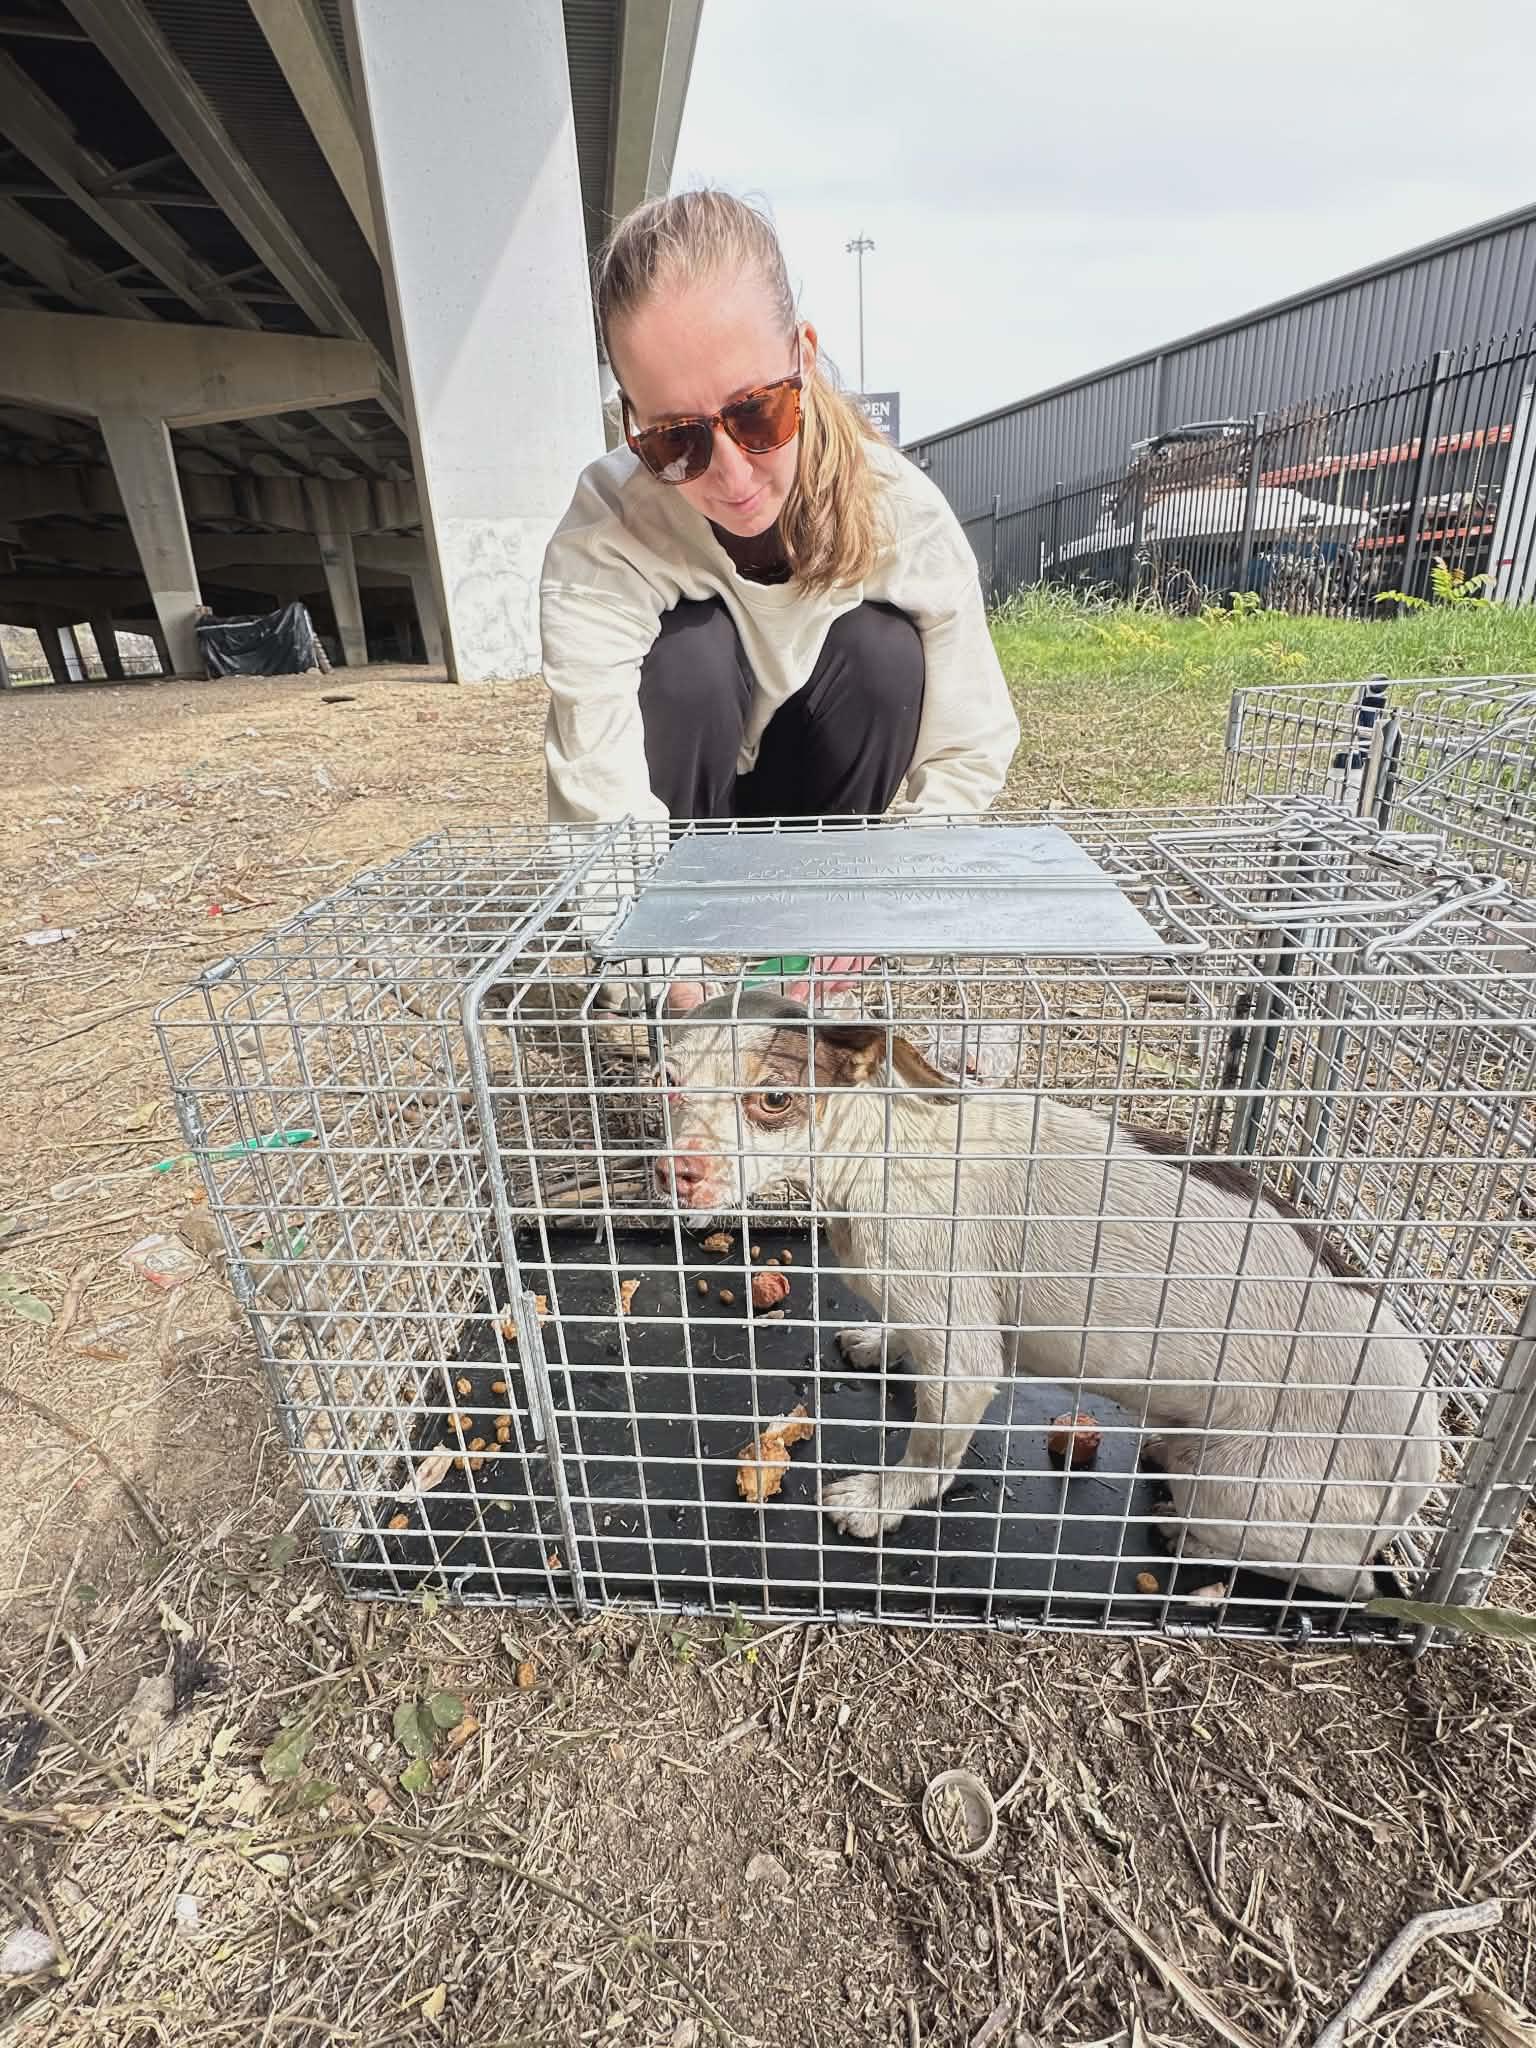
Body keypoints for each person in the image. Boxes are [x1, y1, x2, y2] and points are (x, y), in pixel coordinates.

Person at [539, 189, 1018, 1005]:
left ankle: (801, 957)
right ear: (631, 423)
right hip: (683, 816)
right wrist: (660, 966)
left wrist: (874, 913)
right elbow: (597, 771)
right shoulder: (608, 529)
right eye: (676, 439)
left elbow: (967, 745)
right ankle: (680, 949)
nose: (731, 475)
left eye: (757, 414)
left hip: (811, 821)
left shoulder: (898, 510)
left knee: (883, 653)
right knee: (687, 658)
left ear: (804, 358)